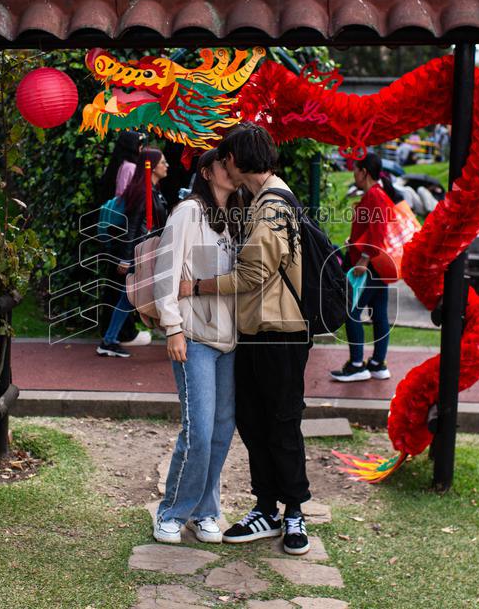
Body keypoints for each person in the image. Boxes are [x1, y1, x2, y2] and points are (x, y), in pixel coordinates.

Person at [178, 123, 312, 557]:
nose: (223, 162)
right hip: (256, 332)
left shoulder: (272, 204)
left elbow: (254, 273)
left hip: (280, 333)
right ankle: (266, 508)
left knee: (281, 422)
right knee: (254, 423)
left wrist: (197, 287)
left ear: (236, 160)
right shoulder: (258, 200)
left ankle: (293, 513)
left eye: (226, 155)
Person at [151, 149, 242, 545]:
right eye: (225, 164)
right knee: (199, 431)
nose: (232, 169)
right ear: (207, 171)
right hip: (194, 337)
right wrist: (172, 327)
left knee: (222, 430)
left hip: (232, 341)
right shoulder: (188, 212)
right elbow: (166, 270)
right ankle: (172, 510)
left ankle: (206, 509)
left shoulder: (240, 215)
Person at [96, 148, 169, 358]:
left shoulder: (151, 191)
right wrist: (127, 258)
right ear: (152, 166)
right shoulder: (144, 193)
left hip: (146, 253)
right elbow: (133, 227)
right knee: (139, 296)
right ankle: (175, 336)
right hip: (142, 255)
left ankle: (109, 340)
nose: (166, 166)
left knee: (129, 298)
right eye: (163, 162)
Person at [330, 153, 393, 382]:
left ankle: (357, 364)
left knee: (351, 311)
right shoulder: (378, 194)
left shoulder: (374, 196)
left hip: (368, 266)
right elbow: (373, 230)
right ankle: (377, 363)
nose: (354, 174)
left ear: (364, 172)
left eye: (355, 170)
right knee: (379, 314)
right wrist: (355, 243)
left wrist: (363, 260)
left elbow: (376, 234)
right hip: (378, 266)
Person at [96, 131, 148, 346]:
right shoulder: (131, 168)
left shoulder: (120, 165)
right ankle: (121, 333)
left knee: (116, 285)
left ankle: (113, 330)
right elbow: (129, 199)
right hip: (125, 229)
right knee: (124, 286)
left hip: (114, 229)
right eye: (141, 144)